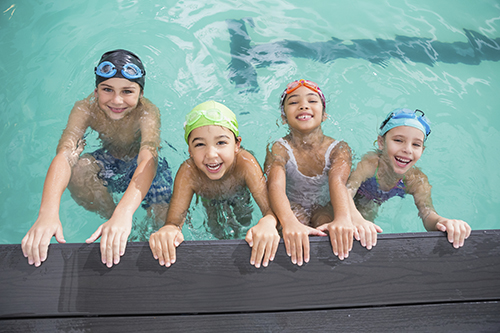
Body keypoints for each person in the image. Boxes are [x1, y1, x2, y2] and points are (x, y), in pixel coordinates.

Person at [22, 49, 172, 268]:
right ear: (96, 90)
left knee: (162, 219)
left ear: (140, 94)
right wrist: (47, 213)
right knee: (80, 169)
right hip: (110, 161)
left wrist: (126, 211)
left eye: (127, 91)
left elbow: (148, 157)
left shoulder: (147, 112)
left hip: (143, 166)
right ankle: (113, 221)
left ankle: (129, 222)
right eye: (107, 89)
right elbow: (66, 155)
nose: (117, 100)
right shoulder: (85, 109)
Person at [149, 100, 280, 268]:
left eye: (221, 142)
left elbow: (270, 210)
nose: (211, 155)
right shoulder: (188, 172)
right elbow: (174, 222)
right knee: (216, 231)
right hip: (209, 198)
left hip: (239, 192)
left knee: (245, 219)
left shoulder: (246, 163)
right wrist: (169, 230)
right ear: (189, 150)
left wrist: (268, 222)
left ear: (237, 145)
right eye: (200, 145)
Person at [347, 108, 471, 249]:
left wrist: (443, 222)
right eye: (398, 140)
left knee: (367, 227)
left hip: (374, 201)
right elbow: (346, 191)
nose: (408, 149)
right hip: (355, 197)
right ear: (381, 142)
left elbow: (427, 213)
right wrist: (355, 217)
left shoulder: (416, 180)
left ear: (422, 150)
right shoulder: (371, 164)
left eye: (416, 144)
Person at [264, 79, 355, 266]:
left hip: (324, 206)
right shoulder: (279, 148)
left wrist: (343, 218)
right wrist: (288, 222)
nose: (303, 105)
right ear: (283, 118)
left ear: (324, 115)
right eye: (294, 102)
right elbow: (274, 185)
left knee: (328, 224)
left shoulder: (339, 148)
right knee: (293, 226)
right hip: (292, 206)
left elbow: (338, 182)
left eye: (312, 101)